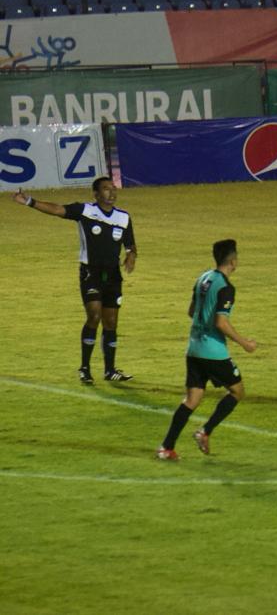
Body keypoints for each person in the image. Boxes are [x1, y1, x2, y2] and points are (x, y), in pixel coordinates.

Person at [12, 178, 136, 384]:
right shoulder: (85, 211)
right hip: (91, 272)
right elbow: (58, 209)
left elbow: (131, 244)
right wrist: (29, 202)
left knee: (111, 322)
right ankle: (85, 368)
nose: (112, 192)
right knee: (94, 315)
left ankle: (110, 370)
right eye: (106, 189)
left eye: (113, 189)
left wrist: (131, 255)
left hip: (113, 275)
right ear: (96, 194)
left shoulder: (123, 217)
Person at [157, 239, 257, 461]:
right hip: (213, 352)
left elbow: (192, 311)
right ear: (233, 261)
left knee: (192, 399)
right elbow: (221, 322)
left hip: (193, 348)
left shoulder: (202, 278)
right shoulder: (226, 288)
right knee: (238, 391)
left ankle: (166, 447)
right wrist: (245, 343)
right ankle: (205, 431)